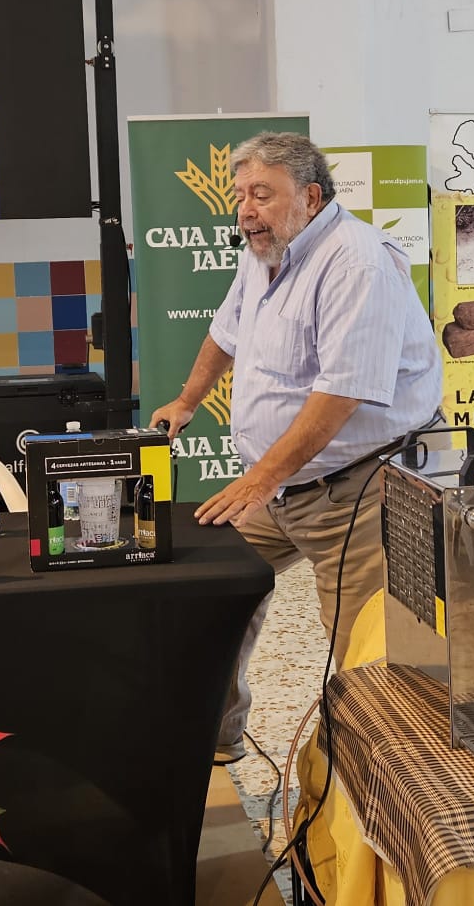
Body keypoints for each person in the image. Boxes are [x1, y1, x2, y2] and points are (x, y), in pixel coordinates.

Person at [151, 132, 442, 764]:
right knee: (209, 594)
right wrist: (187, 401)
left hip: (360, 489)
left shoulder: (357, 263)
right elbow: (225, 332)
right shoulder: (264, 251)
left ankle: (394, 783)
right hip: (282, 485)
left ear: (310, 197)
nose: (245, 210)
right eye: (239, 196)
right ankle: (217, 734)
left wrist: (257, 480)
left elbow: (340, 395)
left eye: (262, 195)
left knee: (370, 653)